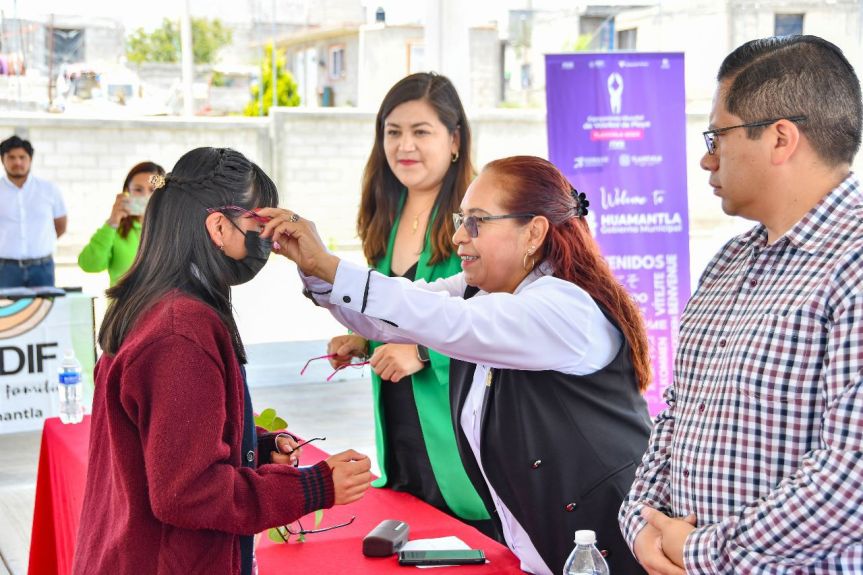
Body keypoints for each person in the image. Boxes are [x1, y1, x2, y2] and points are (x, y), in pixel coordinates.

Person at [262, 155, 652, 575]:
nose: (459, 237)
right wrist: (315, 269)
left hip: (608, 554)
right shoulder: (478, 290)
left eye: (478, 222)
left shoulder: (564, 308)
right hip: (545, 556)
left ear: (534, 232)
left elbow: (447, 324)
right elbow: (392, 315)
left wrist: (330, 264)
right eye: (460, 219)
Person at [618, 35, 863, 574]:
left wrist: (701, 551)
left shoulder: (854, 264)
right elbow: (678, 414)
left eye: (717, 135)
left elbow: (850, 476)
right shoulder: (730, 262)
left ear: (780, 139)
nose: (707, 158)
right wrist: (640, 522)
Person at [72, 148, 372, 575]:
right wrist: (313, 487)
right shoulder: (182, 329)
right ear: (217, 226)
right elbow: (188, 491)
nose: (268, 241)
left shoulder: (155, 303)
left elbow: (165, 440)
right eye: (259, 225)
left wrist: (255, 447)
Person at [324, 72, 490, 527]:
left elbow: (502, 320)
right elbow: (396, 313)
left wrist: (421, 350)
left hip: (462, 436)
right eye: (393, 133)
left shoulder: (480, 217)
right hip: (401, 431)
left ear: (455, 141)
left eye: (421, 132)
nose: (404, 146)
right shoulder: (384, 217)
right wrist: (364, 338)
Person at [77, 161, 165, 286]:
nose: (146, 195)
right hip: (124, 305)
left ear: (164, 194)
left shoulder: (174, 230)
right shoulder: (115, 230)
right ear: (126, 192)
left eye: (153, 190)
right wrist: (112, 222)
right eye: (138, 190)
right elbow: (89, 265)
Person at [0, 135, 67, 287]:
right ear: (2, 160)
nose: (17, 162)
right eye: (11, 157)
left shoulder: (49, 190)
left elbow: (60, 225)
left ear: (30, 159)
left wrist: (40, 243)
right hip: (5, 270)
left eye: (22, 157)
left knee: (44, 310)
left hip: (42, 268)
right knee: (6, 311)